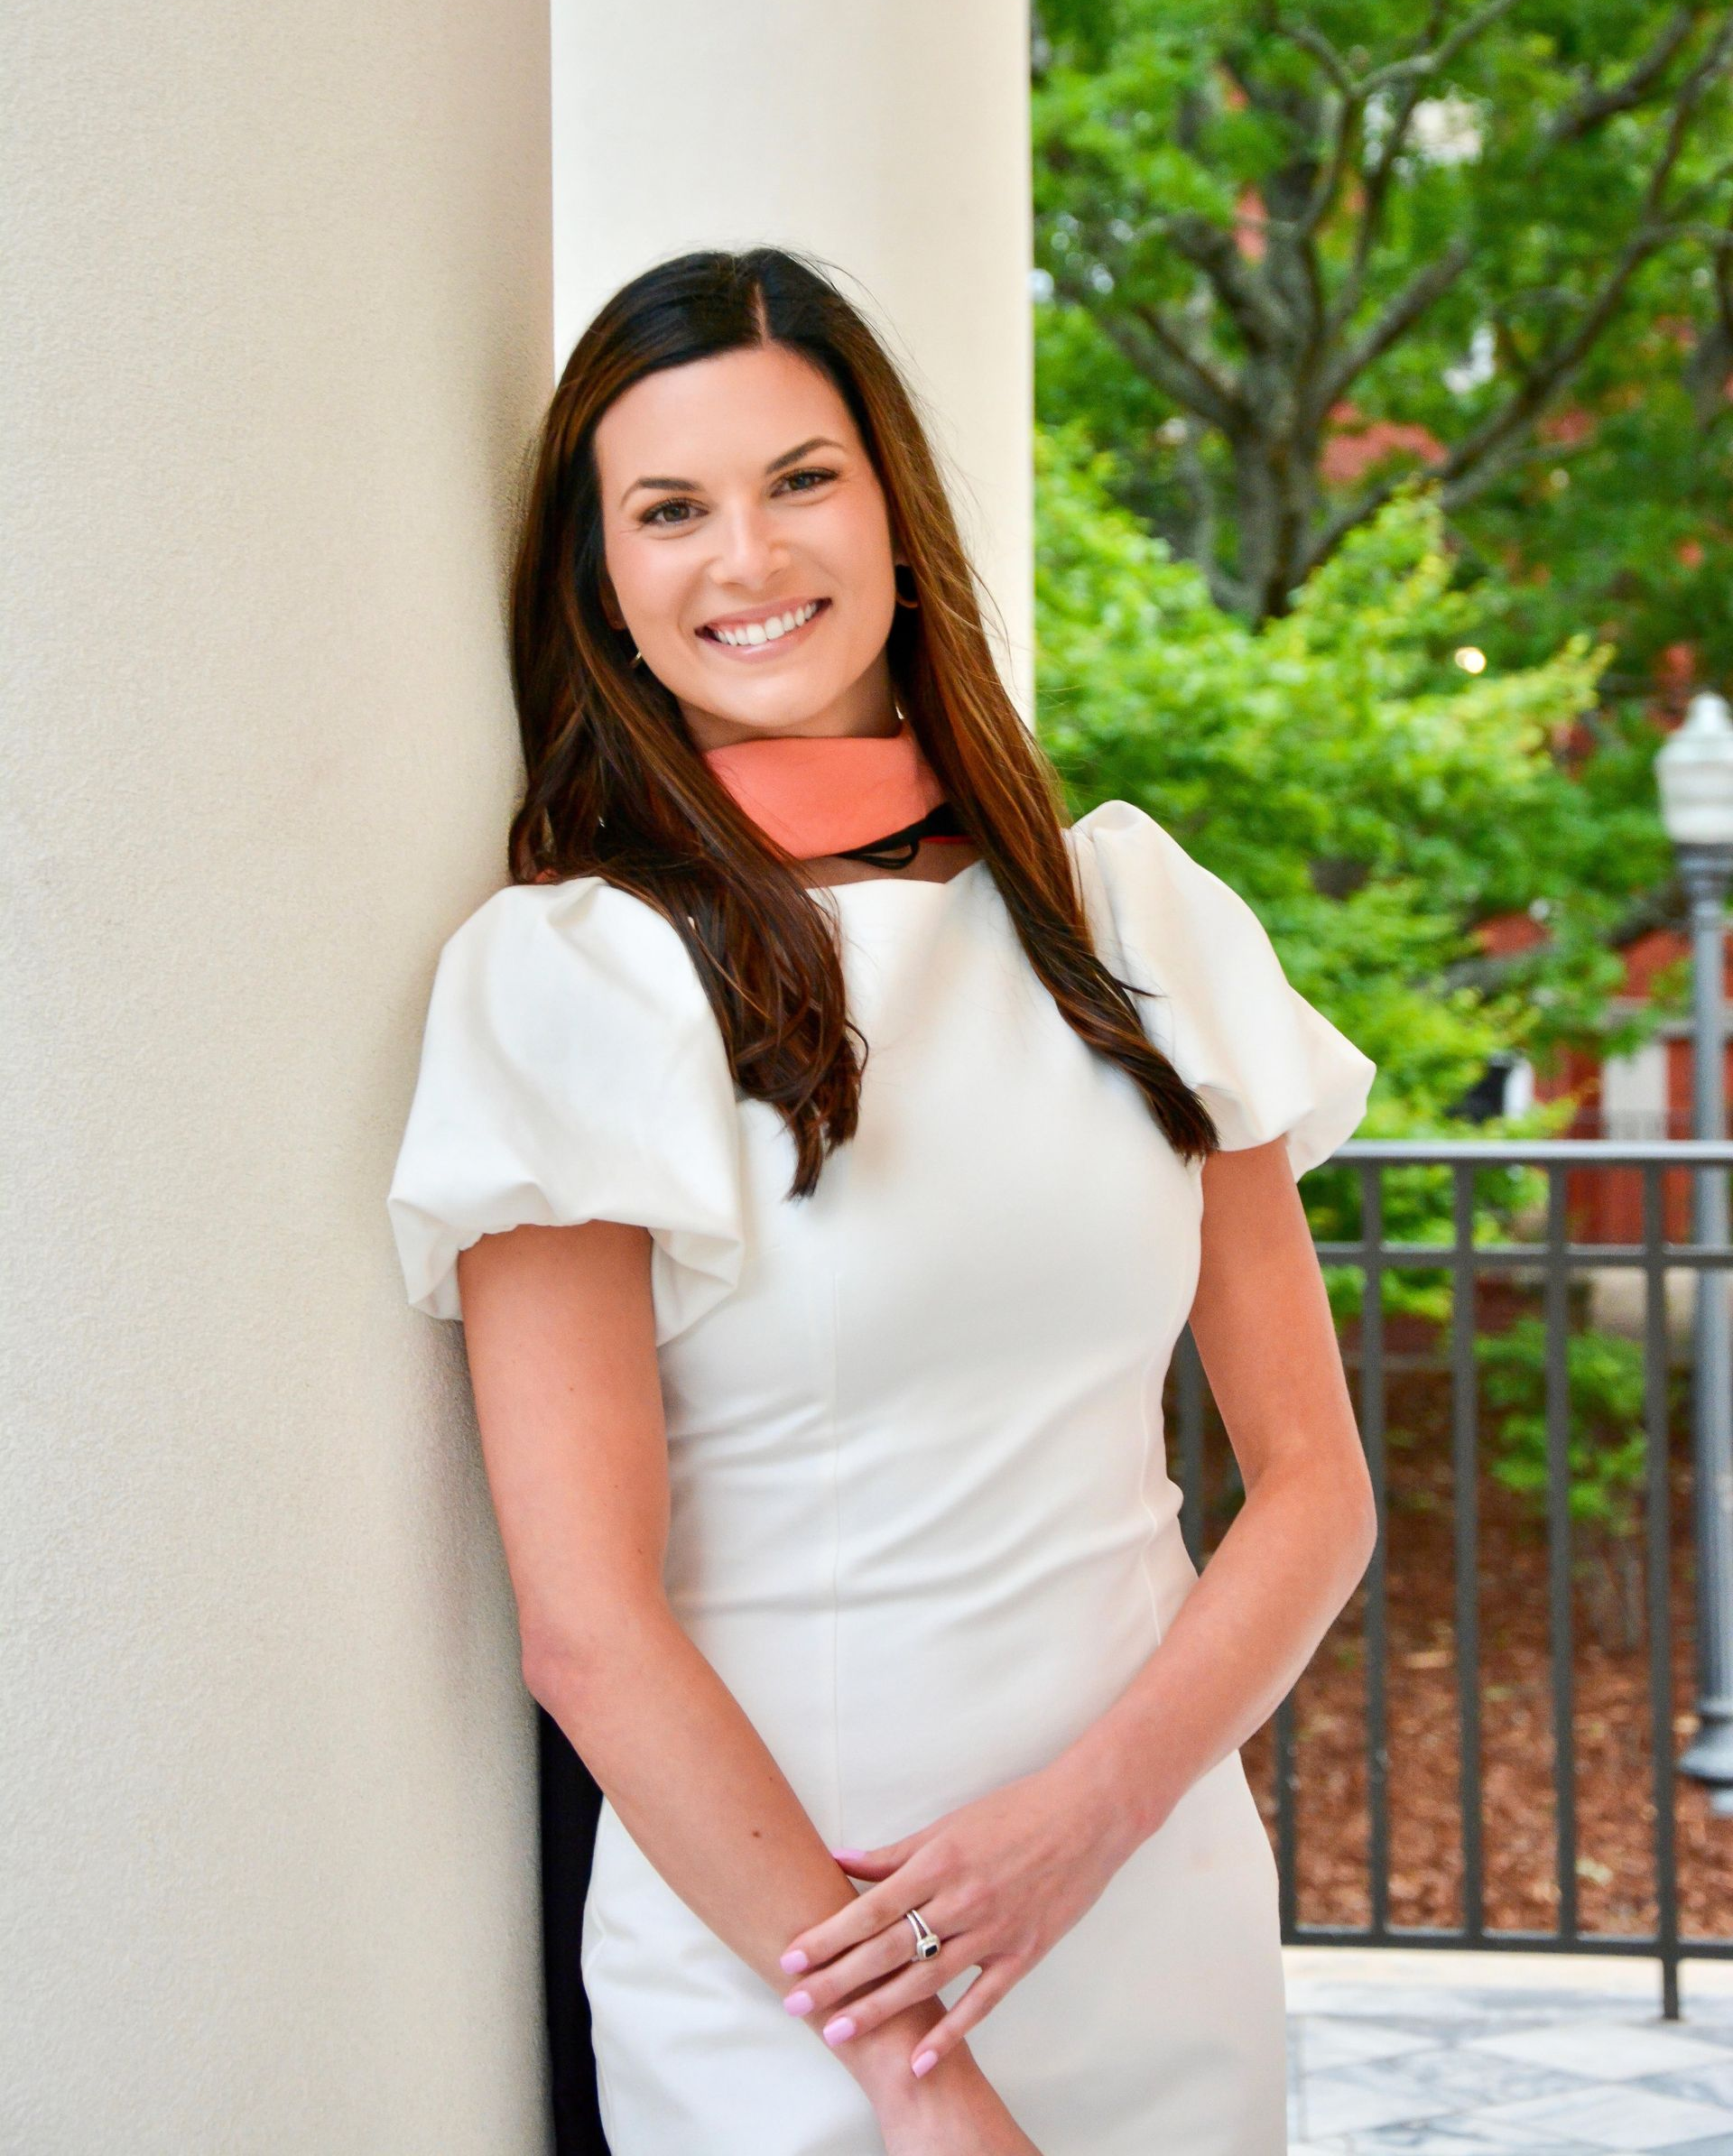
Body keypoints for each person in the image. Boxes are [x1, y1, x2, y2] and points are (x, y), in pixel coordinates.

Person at [385, 245, 1379, 2155]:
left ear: (898, 514)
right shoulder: (568, 979)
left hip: (1146, 1912)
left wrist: (1087, 1826)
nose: (745, 558)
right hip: (802, 1973)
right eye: (669, 510)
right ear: (602, 582)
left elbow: (1315, 1492)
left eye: (800, 480)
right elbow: (587, 1627)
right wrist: (912, 2085)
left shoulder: (1132, 916)